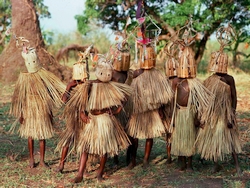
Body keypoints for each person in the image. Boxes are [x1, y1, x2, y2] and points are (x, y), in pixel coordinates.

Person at [69, 55, 132, 183]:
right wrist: (82, 113)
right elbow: (82, 99)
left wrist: (117, 109)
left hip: (105, 120)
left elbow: (124, 97)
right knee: (85, 147)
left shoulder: (112, 86)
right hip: (92, 119)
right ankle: (80, 173)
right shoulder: (90, 85)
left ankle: (99, 174)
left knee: (104, 149)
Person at [10, 37, 66, 168]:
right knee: (30, 134)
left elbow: (50, 94)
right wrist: (22, 113)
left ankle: (41, 160)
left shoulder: (44, 76)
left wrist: (49, 112)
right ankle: (31, 159)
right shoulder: (24, 78)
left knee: (42, 134)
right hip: (29, 108)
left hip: (42, 107)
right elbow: (21, 97)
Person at [126, 23, 174, 169]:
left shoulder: (158, 74)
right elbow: (132, 92)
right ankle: (133, 160)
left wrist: (160, 110)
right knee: (134, 136)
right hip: (138, 111)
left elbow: (164, 96)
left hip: (152, 112)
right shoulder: (136, 73)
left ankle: (146, 160)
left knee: (149, 136)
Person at [195, 27, 242, 175]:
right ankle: (216, 164)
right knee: (215, 139)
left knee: (231, 139)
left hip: (226, 114)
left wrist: (232, 114)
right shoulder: (209, 80)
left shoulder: (229, 79)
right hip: (213, 115)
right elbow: (204, 101)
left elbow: (234, 97)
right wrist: (203, 116)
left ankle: (237, 165)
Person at [170, 26, 212, 171]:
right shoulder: (176, 81)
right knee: (180, 138)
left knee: (190, 139)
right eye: (183, 63)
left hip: (190, 113)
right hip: (180, 113)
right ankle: (181, 163)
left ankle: (189, 164)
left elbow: (201, 102)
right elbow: (172, 98)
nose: (186, 66)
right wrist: (172, 116)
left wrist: (198, 117)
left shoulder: (196, 83)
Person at [54, 48, 91, 173]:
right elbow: (64, 100)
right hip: (73, 119)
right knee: (67, 141)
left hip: (85, 118)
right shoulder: (72, 85)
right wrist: (68, 87)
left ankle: (84, 168)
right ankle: (61, 165)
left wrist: (84, 113)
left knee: (85, 144)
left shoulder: (89, 86)